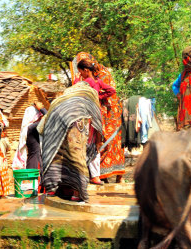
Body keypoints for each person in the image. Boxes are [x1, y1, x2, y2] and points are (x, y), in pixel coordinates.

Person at [37, 82, 103, 202]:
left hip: (54, 118)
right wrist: (98, 141)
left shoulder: (66, 95)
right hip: (74, 118)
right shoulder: (91, 94)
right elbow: (97, 120)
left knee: (56, 153)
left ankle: (53, 188)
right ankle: (78, 193)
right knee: (76, 155)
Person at [71, 52, 125, 184]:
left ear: (85, 69)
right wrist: (99, 97)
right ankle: (99, 175)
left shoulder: (88, 81)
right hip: (100, 114)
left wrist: (97, 98)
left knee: (95, 144)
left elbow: (76, 91)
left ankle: (98, 176)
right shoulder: (97, 79)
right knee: (98, 143)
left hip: (103, 115)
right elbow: (112, 90)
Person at [12, 101, 47, 170]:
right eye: (40, 116)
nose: (41, 117)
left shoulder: (28, 128)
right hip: (36, 164)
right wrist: (42, 109)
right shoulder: (32, 127)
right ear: (35, 117)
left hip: (33, 163)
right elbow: (50, 118)